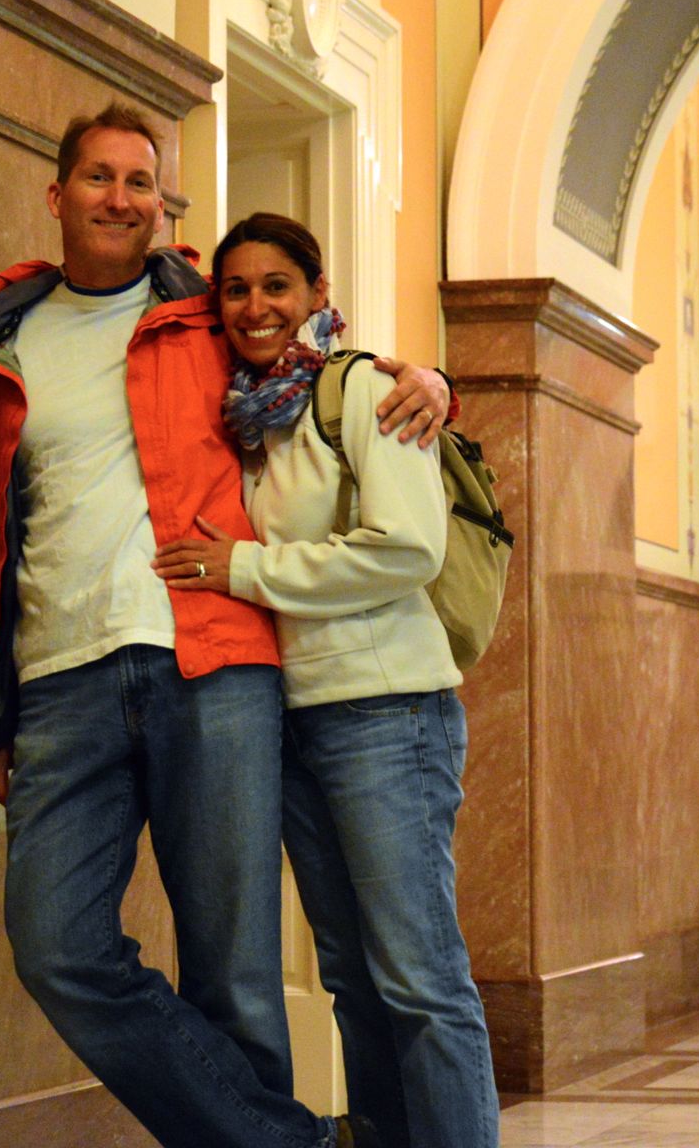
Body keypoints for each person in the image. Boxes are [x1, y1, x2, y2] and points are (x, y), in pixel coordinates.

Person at [0, 103, 448, 1148]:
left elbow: (315, 347)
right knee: (56, 945)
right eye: (99, 177)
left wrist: (430, 377)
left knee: (234, 973)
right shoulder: (3, 339)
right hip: (60, 678)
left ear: (162, 205)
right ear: (57, 195)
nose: (120, 199)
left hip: (213, 665)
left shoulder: (203, 314)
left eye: (141, 182)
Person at [151, 212, 500, 1148]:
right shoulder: (251, 419)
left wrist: (245, 568)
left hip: (389, 715)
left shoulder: (367, 392)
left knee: (420, 978)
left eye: (277, 286)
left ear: (317, 294)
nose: (255, 306)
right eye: (235, 289)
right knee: (352, 978)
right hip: (296, 718)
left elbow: (409, 549)